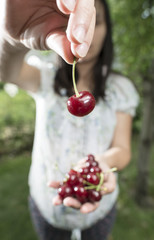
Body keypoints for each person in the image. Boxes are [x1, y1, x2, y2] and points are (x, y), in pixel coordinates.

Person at [0, 0, 139, 239]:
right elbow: (6, 72)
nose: (86, 32)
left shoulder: (120, 89)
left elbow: (123, 148)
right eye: (79, 23)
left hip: (98, 209)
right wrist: (10, 41)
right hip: (47, 206)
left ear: (108, 31)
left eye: (97, 23)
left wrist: (101, 162)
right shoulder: (45, 78)